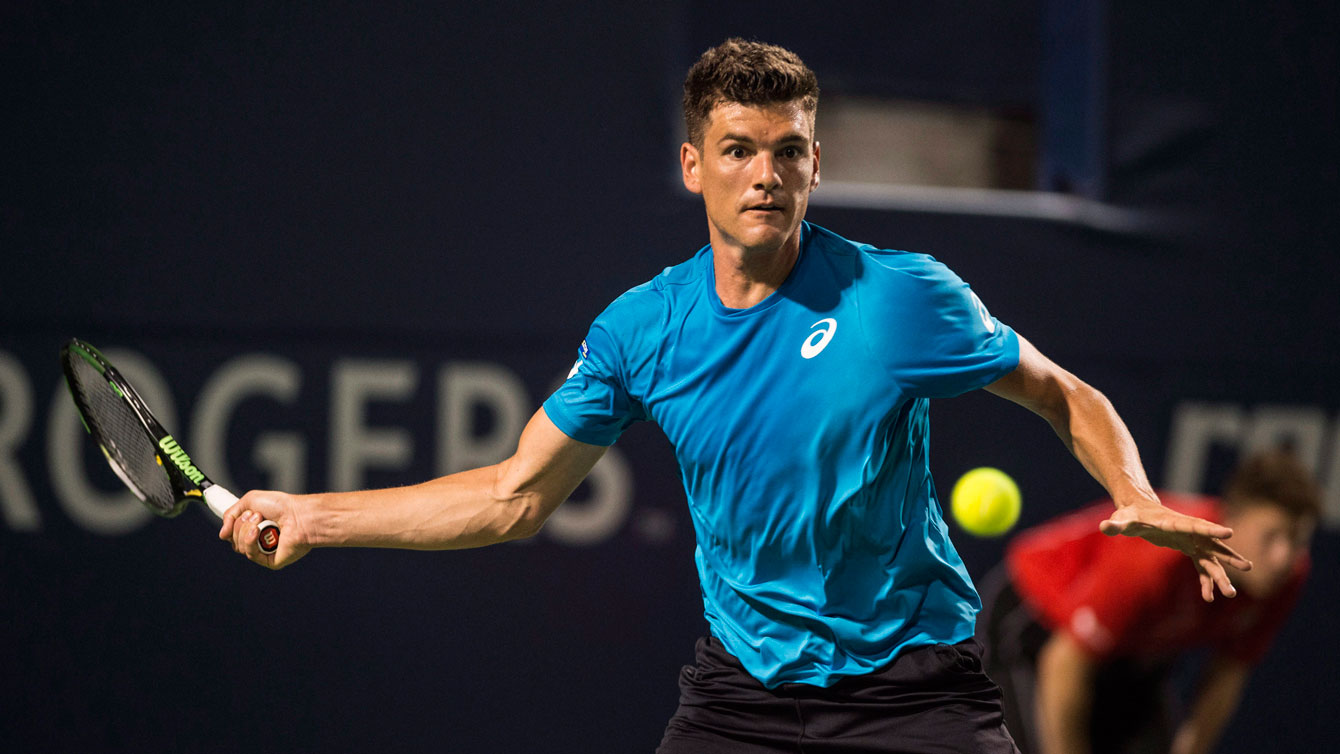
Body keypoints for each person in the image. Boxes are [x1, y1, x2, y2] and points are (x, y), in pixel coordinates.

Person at [220, 39, 1250, 752]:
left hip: (911, 689)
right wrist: (316, 513)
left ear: (814, 161)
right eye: (738, 150)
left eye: (788, 151)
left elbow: (1059, 392)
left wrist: (1137, 491)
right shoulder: (640, 328)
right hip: (739, 697)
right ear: (691, 166)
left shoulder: (901, 298)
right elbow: (511, 495)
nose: (765, 174)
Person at [979, 449, 1318, 754]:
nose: (1283, 556)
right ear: (1231, 520)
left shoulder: (1288, 576)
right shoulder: (1157, 560)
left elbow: (1227, 673)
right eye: (1270, 535)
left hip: (1125, 651)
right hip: (1033, 626)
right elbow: (1065, 664)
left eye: (1297, 539)